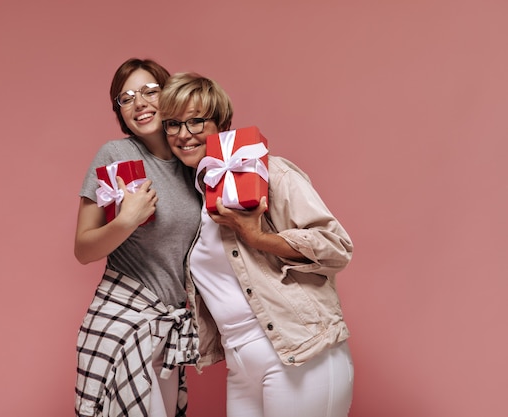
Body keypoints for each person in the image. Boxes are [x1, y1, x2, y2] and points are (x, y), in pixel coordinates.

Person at [158, 73, 355, 417]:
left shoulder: (269, 173)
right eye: (173, 124)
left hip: (299, 352)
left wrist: (258, 237)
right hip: (241, 365)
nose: (183, 134)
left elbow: (336, 247)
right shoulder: (193, 200)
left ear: (222, 124)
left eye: (196, 121)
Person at [73, 59, 202, 417]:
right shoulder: (115, 155)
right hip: (121, 320)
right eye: (126, 98)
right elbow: (83, 248)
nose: (139, 103)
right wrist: (126, 221)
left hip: (170, 323)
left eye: (149, 92)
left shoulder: (192, 163)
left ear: (169, 95)